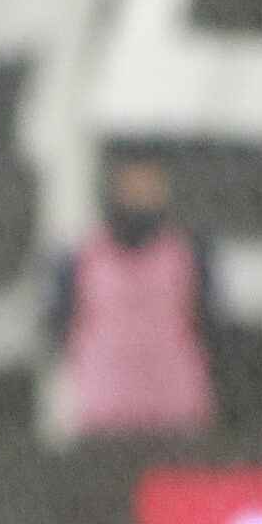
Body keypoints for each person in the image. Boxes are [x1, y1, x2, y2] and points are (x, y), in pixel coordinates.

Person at [52, 155, 216, 439]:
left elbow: (209, 324)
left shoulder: (191, 252)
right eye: (132, 185)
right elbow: (59, 325)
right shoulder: (80, 256)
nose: (140, 196)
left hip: (175, 411)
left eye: (148, 185)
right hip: (103, 412)